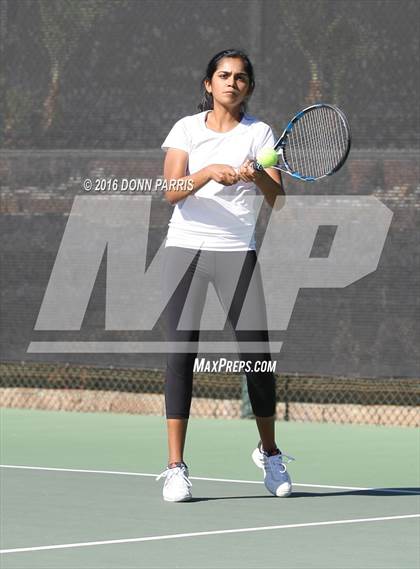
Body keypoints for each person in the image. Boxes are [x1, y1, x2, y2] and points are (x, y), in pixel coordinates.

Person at [156, 49, 294, 502]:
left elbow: (278, 198)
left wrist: (258, 177)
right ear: (208, 84)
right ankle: (176, 467)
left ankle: (269, 452)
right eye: (223, 75)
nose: (232, 82)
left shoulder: (261, 134)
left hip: (237, 252)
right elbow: (171, 190)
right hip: (186, 250)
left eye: (240, 77)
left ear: (249, 88)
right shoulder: (185, 129)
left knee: (257, 356)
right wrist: (208, 173)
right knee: (181, 354)